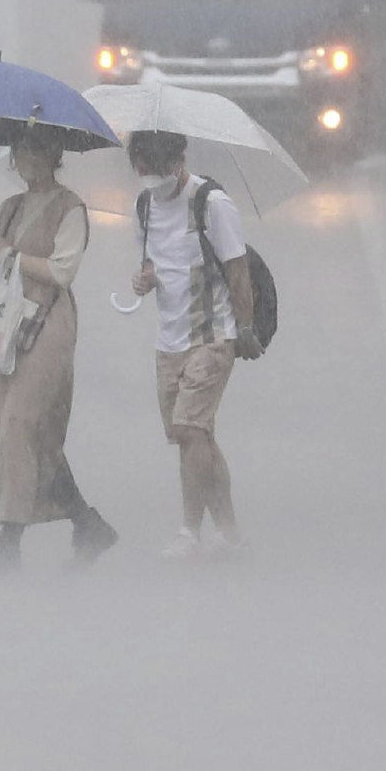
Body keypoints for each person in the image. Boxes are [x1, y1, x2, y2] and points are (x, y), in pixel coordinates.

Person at [0, 136, 117, 570]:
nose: (28, 159)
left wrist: (9, 253)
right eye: (21, 152)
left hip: (48, 324)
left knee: (19, 424)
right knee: (37, 440)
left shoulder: (70, 208)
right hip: (5, 323)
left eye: (37, 151)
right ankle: (88, 524)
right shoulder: (9, 207)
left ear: (55, 156)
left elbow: (61, 270)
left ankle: (6, 542)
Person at [125, 128, 249, 556]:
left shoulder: (211, 204)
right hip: (169, 339)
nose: (149, 180)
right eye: (141, 171)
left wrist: (244, 332)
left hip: (212, 336)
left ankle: (189, 532)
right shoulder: (144, 206)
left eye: (155, 171)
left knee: (189, 428)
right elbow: (150, 265)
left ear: (178, 161)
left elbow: (237, 270)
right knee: (195, 437)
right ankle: (230, 532)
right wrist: (144, 280)